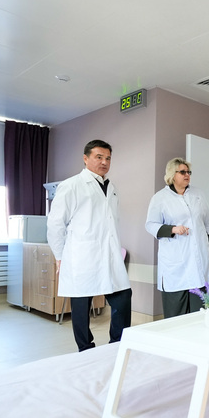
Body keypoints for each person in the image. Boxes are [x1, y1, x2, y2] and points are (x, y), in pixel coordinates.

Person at [47, 139, 132, 352]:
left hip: (110, 255)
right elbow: (55, 224)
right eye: (99, 157)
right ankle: (85, 349)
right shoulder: (71, 185)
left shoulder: (112, 188)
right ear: (85, 159)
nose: (104, 162)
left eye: (108, 158)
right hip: (82, 256)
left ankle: (117, 345)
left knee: (123, 297)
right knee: (81, 306)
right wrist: (59, 256)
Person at [145, 157, 209, 317]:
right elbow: (150, 224)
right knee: (176, 314)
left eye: (189, 172)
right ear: (172, 175)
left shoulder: (198, 194)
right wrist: (172, 229)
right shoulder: (160, 198)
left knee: (200, 312)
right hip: (175, 261)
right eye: (183, 172)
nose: (187, 175)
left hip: (200, 258)